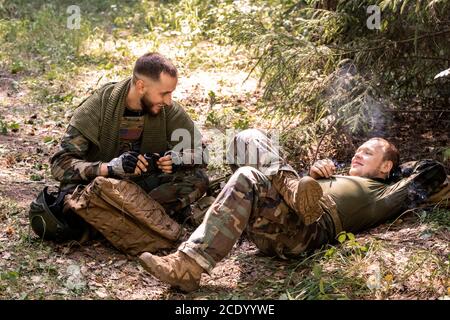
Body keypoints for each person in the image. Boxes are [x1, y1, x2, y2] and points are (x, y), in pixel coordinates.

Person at [138, 129, 447, 292]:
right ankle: (293, 186)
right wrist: (312, 176)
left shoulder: (386, 192)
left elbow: (433, 171)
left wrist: (397, 174)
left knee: (248, 176)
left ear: (388, 166)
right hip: (289, 215)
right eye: (357, 150)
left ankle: (188, 266)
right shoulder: (336, 175)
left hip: (308, 231)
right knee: (245, 138)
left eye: (368, 152)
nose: (358, 154)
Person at [50, 52, 209, 240]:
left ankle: (113, 223)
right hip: (100, 187)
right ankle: (142, 220)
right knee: (70, 195)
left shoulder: (168, 110)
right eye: (164, 93)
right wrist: (109, 168)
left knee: (197, 178)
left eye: (171, 93)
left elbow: (203, 154)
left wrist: (177, 159)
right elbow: (60, 164)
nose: (168, 101)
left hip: (141, 188)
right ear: (141, 86)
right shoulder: (99, 105)